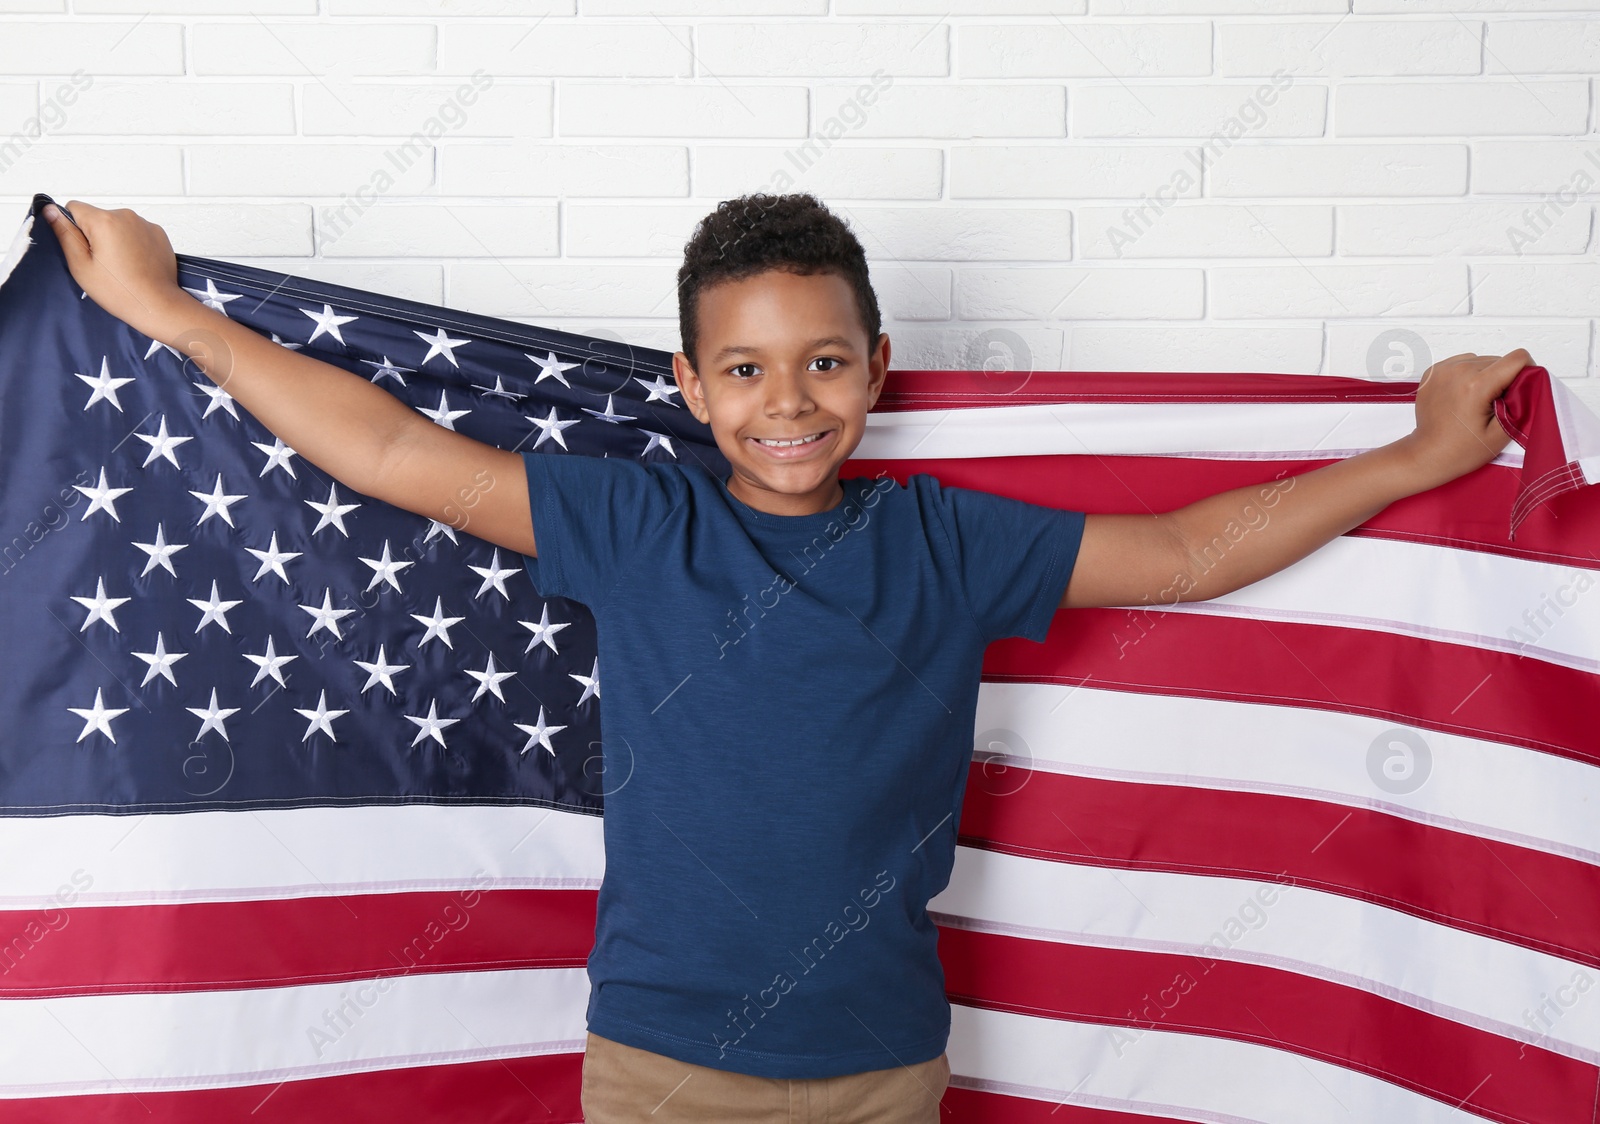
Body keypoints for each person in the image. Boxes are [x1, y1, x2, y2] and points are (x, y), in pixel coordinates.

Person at [44, 191, 1531, 1124]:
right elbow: (395, 452)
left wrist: (1410, 456)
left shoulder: (944, 544)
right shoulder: (636, 521)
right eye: (744, 370)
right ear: (689, 387)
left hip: (882, 1067)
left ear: (877, 368)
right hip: (663, 1072)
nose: (789, 402)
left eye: (825, 361)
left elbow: (1194, 551)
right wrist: (165, 312)